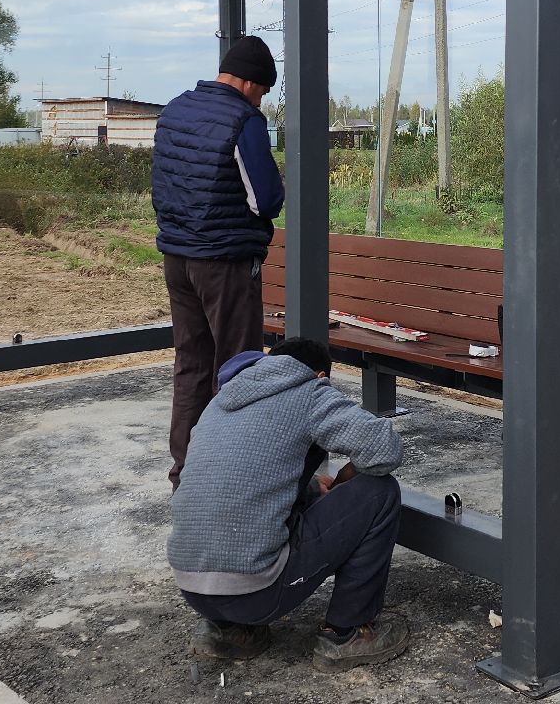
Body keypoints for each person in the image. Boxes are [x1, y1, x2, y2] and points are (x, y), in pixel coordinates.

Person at [169, 338, 411, 672]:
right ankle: (349, 632)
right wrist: (343, 481)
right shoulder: (309, 390)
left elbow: (244, 481)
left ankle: (227, 632)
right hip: (258, 593)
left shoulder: (221, 400)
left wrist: (312, 488)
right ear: (320, 374)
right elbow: (385, 449)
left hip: (193, 589)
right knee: (380, 492)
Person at [151, 35, 285, 488]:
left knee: (191, 363)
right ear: (249, 82)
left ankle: (187, 473)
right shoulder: (243, 120)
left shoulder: (175, 110)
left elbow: (163, 186)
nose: (262, 98)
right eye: (263, 90)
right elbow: (265, 200)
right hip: (225, 261)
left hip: (177, 256)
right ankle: (231, 476)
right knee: (238, 366)